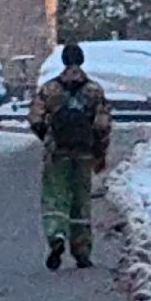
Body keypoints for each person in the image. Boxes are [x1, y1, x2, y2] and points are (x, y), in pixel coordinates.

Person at [28, 42, 112, 270]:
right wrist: (100, 152)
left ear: (63, 61)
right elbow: (103, 124)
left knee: (55, 195)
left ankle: (56, 235)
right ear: (82, 60)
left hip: (57, 152)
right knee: (81, 200)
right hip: (84, 152)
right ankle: (82, 249)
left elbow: (35, 118)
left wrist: (48, 137)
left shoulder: (50, 89)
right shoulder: (93, 90)